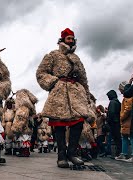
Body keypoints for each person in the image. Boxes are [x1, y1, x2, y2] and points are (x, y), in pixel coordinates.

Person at [36, 28, 95, 168]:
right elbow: (41, 73)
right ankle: (61, 156)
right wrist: (54, 82)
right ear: (62, 40)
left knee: (79, 122)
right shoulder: (52, 55)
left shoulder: (77, 59)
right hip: (59, 94)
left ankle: (72, 153)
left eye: (72, 38)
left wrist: (86, 96)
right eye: (68, 38)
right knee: (59, 125)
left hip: (76, 94)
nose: (71, 40)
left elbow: (83, 79)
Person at [11, 89, 38, 157]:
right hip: (27, 125)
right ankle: (24, 151)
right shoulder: (28, 107)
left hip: (24, 126)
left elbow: (21, 117)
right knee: (25, 138)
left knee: (24, 137)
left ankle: (25, 152)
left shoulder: (23, 107)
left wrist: (17, 126)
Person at [115, 81, 133, 162]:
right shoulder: (129, 96)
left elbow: (128, 108)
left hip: (128, 120)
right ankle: (124, 154)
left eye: (120, 89)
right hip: (128, 120)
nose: (120, 91)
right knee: (125, 137)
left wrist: (121, 117)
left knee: (131, 136)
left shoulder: (128, 96)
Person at [106, 90, 122, 158]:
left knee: (116, 138)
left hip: (114, 122)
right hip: (117, 121)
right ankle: (118, 153)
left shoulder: (112, 102)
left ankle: (117, 153)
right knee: (118, 138)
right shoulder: (118, 102)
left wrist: (108, 119)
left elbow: (111, 112)